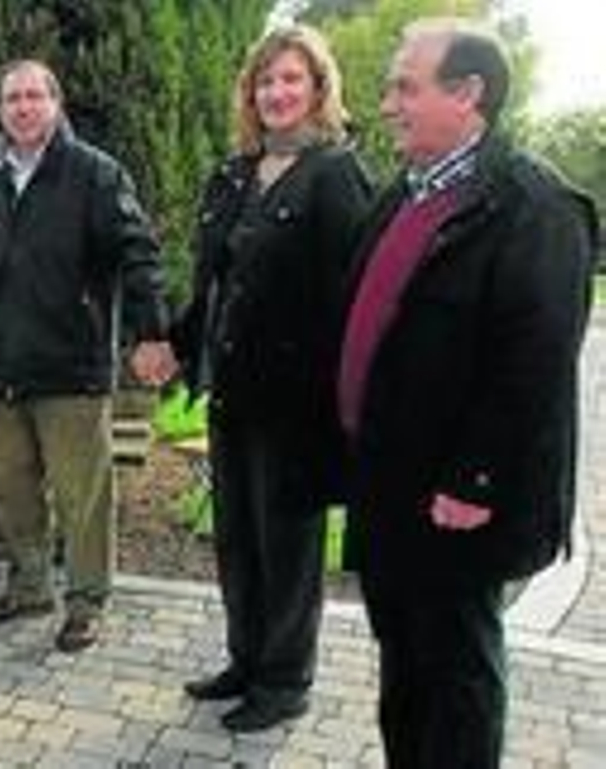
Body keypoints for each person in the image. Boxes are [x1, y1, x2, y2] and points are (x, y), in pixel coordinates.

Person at [338, 19, 598, 766]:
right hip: (390, 480)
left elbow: (535, 364)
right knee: (404, 662)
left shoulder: (535, 206)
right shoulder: (405, 192)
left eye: (405, 87)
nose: (387, 104)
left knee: (455, 675)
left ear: (469, 94)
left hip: (456, 500)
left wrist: (474, 478)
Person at [171, 26, 373, 732]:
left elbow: (353, 299)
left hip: (296, 403)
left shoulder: (336, 175)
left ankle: (285, 680)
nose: (276, 92)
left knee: (287, 545)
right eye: (265, 81)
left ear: (318, 89)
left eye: (291, 79)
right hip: (232, 393)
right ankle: (246, 659)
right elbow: (212, 282)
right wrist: (174, 345)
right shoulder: (236, 173)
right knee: (238, 538)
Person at [0, 60, 175, 653]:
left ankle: (87, 600)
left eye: (33, 96)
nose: (22, 107)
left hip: (73, 368)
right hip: (7, 371)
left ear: (56, 102)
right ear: (0, 110)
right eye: (11, 98)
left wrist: (151, 332)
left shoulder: (94, 173)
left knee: (82, 497)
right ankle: (31, 587)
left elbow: (139, 252)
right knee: (11, 489)